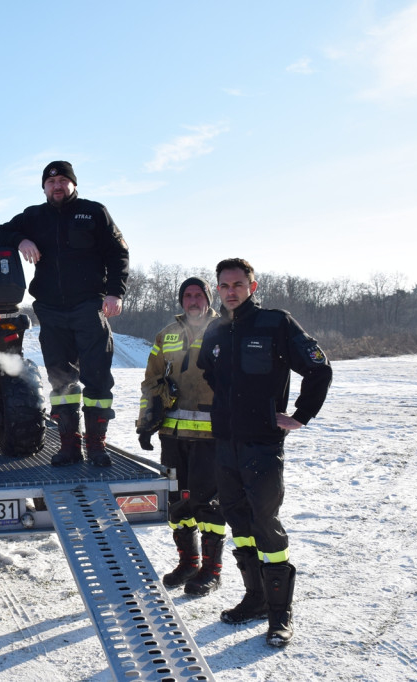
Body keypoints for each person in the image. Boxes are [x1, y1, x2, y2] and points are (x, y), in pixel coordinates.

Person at [198, 258, 332, 647]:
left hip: (262, 444)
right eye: (224, 285)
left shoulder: (276, 324)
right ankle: (254, 599)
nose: (231, 291)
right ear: (218, 289)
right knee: (238, 522)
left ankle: (279, 614)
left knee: (265, 522)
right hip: (225, 442)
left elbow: (319, 370)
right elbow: (210, 369)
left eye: (238, 284)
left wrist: (300, 415)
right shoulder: (216, 328)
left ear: (252, 287)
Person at [0, 160, 129, 467]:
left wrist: (116, 292)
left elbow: (118, 253)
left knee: (97, 380)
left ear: (73, 185)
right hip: (51, 310)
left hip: (88, 307)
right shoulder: (33, 217)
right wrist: (21, 239)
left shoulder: (94, 212)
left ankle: (97, 446)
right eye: (51, 182)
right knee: (61, 381)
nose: (57, 186)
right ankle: (70, 446)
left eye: (64, 181)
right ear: (44, 187)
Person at [137, 277, 226, 596]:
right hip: (172, 435)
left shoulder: (225, 329)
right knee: (178, 503)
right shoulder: (166, 335)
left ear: (208, 298)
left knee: (208, 504)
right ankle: (188, 562)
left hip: (212, 437)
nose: (192, 300)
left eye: (198, 295)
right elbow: (151, 381)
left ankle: (212, 571)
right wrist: (145, 422)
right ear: (181, 300)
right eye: (187, 295)